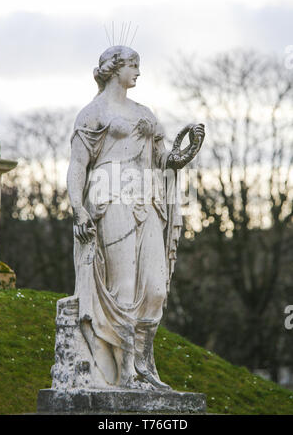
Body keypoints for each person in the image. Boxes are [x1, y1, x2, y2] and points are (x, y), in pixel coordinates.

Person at [67, 45, 205, 390]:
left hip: (148, 197)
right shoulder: (92, 113)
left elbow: (165, 161)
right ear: (115, 68)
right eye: (134, 65)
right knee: (124, 286)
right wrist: (77, 208)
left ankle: (144, 368)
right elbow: (77, 166)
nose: (138, 73)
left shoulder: (145, 111)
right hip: (110, 196)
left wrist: (187, 150)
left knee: (156, 289)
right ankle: (125, 371)